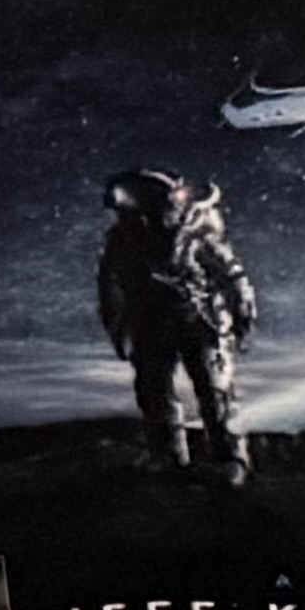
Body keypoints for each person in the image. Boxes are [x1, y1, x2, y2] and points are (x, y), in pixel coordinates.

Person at [93, 165, 255, 482]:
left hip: (199, 319)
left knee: (214, 391)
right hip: (149, 322)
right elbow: (109, 288)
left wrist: (242, 313)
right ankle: (168, 458)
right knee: (155, 392)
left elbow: (231, 275)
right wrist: (117, 327)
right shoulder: (121, 240)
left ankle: (229, 458)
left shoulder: (195, 232)